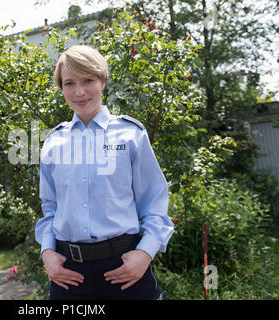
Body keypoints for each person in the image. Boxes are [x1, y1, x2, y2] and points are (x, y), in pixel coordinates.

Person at [35, 45, 174, 300]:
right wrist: (47, 252)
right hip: (69, 275)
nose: (79, 92)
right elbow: (50, 207)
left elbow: (155, 201)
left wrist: (145, 253)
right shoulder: (53, 143)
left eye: (88, 80)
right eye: (69, 83)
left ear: (102, 81)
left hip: (125, 270)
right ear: (61, 88)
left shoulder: (131, 135)